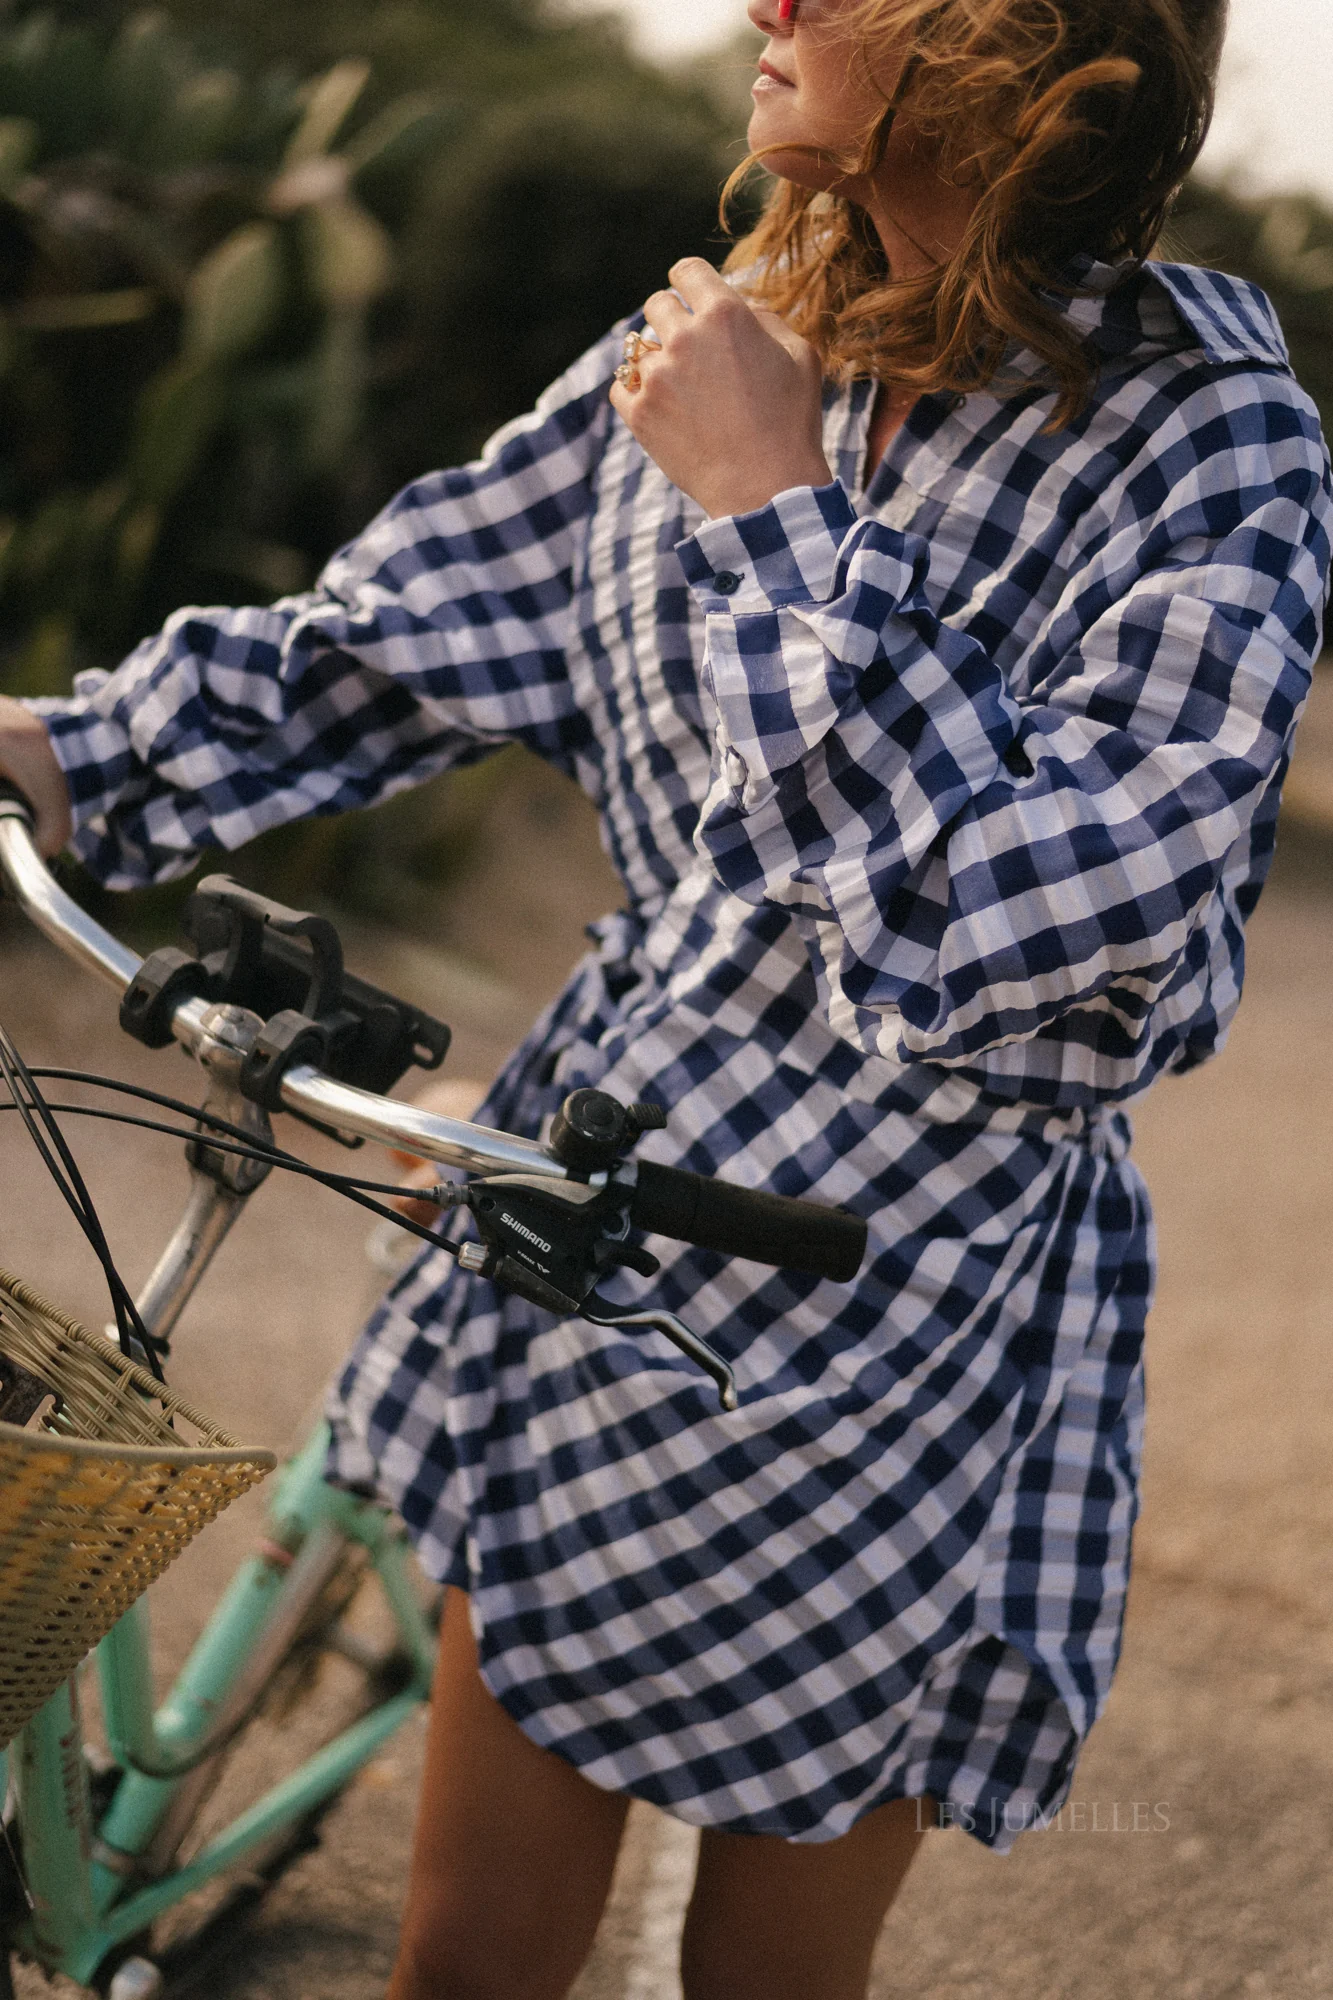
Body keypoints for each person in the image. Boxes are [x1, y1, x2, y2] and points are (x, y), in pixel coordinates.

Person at [1, 0, 1329, 1993]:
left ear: (1008, 29)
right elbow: (389, 643)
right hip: (583, 1228)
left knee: (758, 1984)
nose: (764, 5)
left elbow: (1034, 948)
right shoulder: (736, 336)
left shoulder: (1208, 445)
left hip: (894, 1314)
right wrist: (65, 753)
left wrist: (779, 514)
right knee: (462, 1962)